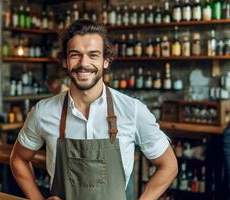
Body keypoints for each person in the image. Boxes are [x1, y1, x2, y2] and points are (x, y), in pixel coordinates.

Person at [10, 19, 178, 200]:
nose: (84, 63)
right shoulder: (43, 112)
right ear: (65, 61)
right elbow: (18, 159)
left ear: (106, 61)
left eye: (93, 55)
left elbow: (169, 165)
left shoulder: (133, 111)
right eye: (75, 55)